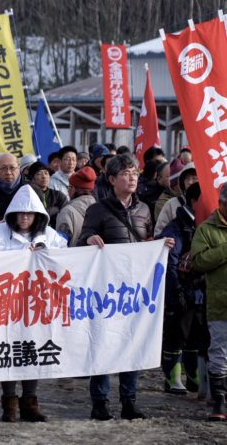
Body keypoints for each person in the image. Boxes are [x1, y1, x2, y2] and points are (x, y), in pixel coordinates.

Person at [77, 154, 174, 421]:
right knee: (104, 343)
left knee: (133, 343)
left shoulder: (144, 209)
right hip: (106, 292)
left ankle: (129, 401)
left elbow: (148, 241)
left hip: (136, 291)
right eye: (126, 173)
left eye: (135, 173)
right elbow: (81, 239)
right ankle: (100, 401)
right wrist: (89, 239)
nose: (132, 178)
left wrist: (159, 246)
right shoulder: (98, 209)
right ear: (111, 179)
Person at [0, 184, 67, 422]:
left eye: (30, 213)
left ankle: (30, 401)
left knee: (32, 348)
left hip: (36, 304)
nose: (25, 217)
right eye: (21, 213)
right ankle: (9, 404)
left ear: (38, 215)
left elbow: (64, 252)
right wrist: (16, 255)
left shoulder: (48, 235)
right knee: (8, 349)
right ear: (13, 214)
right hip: (7, 303)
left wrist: (43, 251)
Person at [158, 183, 202, 395]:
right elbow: (169, 263)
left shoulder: (203, 223)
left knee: (196, 335)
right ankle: (172, 377)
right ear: (195, 202)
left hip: (199, 291)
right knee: (176, 335)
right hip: (181, 291)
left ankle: (194, 376)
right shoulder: (176, 227)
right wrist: (175, 293)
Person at [191, 184, 227, 421]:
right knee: (220, 353)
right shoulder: (206, 229)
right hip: (219, 302)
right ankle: (219, 402)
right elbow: (198, 261)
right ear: (222, 204)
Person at [55, 166, 97, 246]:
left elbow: (60, 244)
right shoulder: (102, 210)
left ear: (73, 189)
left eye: (69, 187)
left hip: (73, 257)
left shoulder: (67, 212)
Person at [154, 163, 198, 237]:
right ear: (182, 183)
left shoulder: (210, 202)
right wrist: (165, 240)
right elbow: (158, 233)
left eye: (194, 178)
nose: (190, 182)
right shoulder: (171, 204)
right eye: (187, 179)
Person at [26, 161, 67, 228]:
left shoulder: (58, 195)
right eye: (39, 174)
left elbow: (65, 212)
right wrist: (55, 209)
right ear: (32, 178)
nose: (44, 176)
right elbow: (35, 216)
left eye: (46, 173)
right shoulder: (29, 195)